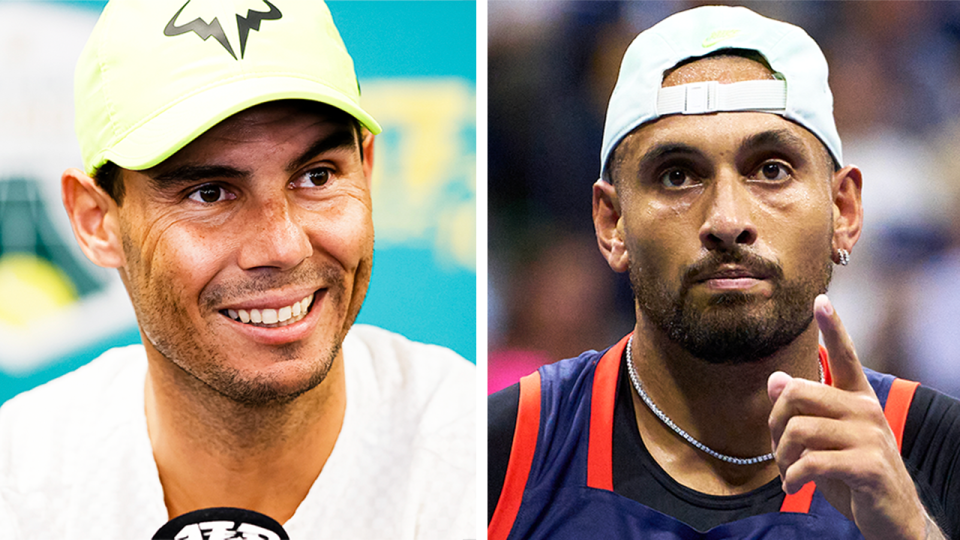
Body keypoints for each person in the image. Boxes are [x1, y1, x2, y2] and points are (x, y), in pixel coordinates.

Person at [0, 1, 474, 538]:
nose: (283, 245)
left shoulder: (481, 460)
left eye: (317, 177)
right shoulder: (18, 490)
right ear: (96, 221)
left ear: (366, 171)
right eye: (210, 193)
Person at [488, 6, 960, 539]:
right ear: (612, 222)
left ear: (843, 212)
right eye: (677, 176)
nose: (727, 220)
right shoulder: (497, 453)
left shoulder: (941, 454)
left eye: (771, 170)